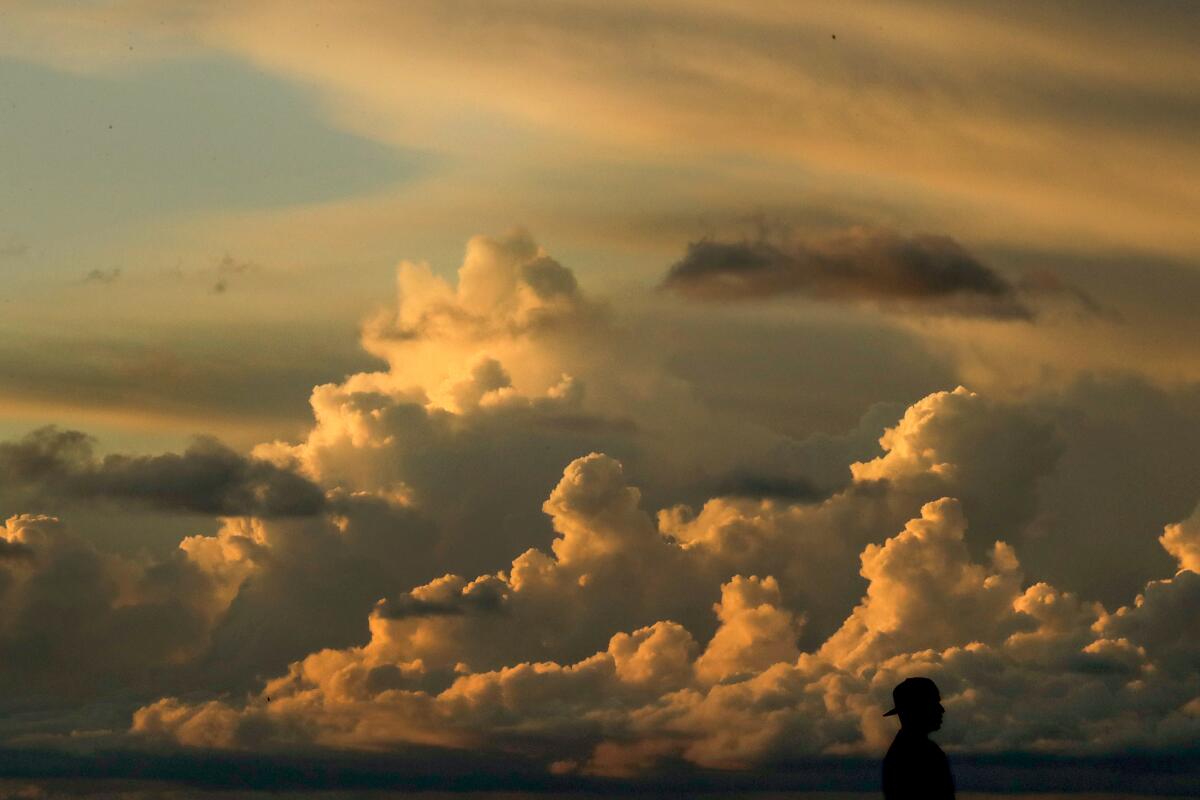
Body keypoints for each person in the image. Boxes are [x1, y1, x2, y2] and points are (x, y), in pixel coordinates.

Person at [881, 676, 955, 800]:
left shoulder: (904, 752)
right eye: (934, 704)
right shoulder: (913, 755)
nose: (942, 710)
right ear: (917, 710)